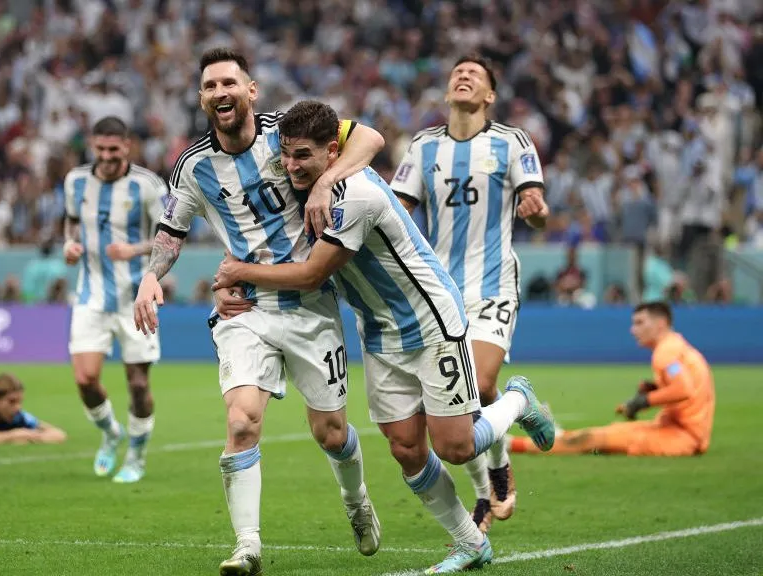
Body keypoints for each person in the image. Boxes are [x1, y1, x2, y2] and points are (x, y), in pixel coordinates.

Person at [212, 100, 556, 574]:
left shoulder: (356, 195)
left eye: (304, 156)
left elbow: (313, 275)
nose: (291, 166)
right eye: (286, 154)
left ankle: (519, 400)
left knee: (453, 447)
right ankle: (470, 542)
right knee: (405, 448)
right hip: (377, 332)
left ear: (332, 152)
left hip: (429, 320)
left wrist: (235, 271)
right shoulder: (306, 185)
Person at [133, 48, 387, 575]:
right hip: (244, 307)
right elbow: (171, 234)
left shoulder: (285, 134)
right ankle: (247, 546)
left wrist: (322, 182)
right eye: (209, 87)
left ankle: (357, 501)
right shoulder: (193, 166)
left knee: (330, 434)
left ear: (250, 91)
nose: (220, 93)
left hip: (311, 304)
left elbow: (369, 137)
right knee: (242, 422)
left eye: (229, 82)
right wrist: (149, 278)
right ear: (202, 99)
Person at [385, 54, 550, 530]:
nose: (463, 75)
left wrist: (534, 208)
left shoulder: (511, 141)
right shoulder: (422, 147)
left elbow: (537, 211)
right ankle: (490, 483)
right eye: (457, 71)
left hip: (494, 282)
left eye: (474, 74)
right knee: (463, 400)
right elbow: (397, 213)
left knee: (475, 388)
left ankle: (507, 432)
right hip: (440, 291)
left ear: (490, 95)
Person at [62, 117, 168, 484]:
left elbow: (169, 236)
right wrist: (69, 245)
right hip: (90, 295)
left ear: (127, 146)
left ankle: (136, 455)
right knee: (85, 379)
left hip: (134, 297)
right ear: (93, 145)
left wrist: (134, 248)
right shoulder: (75, 181)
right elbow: (72, 221)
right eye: (100, 149)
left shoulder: (148, 185)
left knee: (138, 385)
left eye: (114, 149)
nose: (106, 157)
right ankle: (110, 432)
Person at [511, 302, 714, 457]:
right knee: (610, 430)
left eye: (640, 323)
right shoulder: (677, 345)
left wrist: (643, 401)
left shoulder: (665, 352)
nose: (633, 330)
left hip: (681, 437)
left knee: (592, 439)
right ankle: (550, 435)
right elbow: (686, 385)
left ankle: (511, 444)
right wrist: (655, 389)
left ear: (661, 324)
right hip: (678, 429)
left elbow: (684, 389)